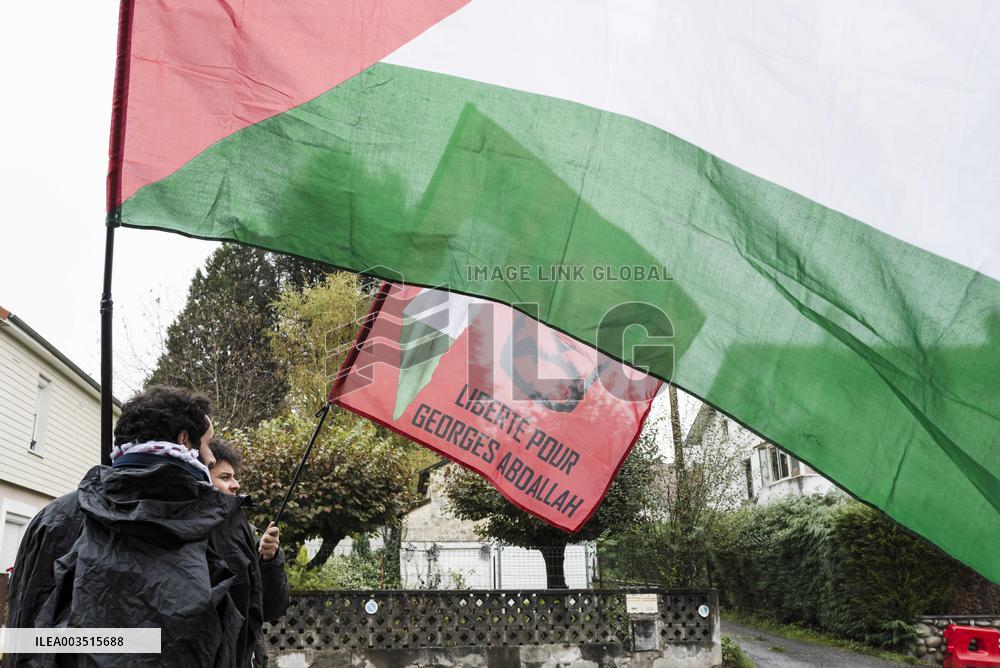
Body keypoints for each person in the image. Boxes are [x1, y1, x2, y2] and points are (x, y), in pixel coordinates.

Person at [6, 386, 246, 667]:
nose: (212, 458)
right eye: (207, 444)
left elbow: (24, 629)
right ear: (184, 440)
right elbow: (238, 638)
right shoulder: (222, 525)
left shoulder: (55, 518)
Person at [208, 438, 290, 667]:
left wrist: (269, 559)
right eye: (225, 478)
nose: (235, 485)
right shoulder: (186, 533)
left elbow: (272, 608)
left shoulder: (250, 535)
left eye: (234, 476)